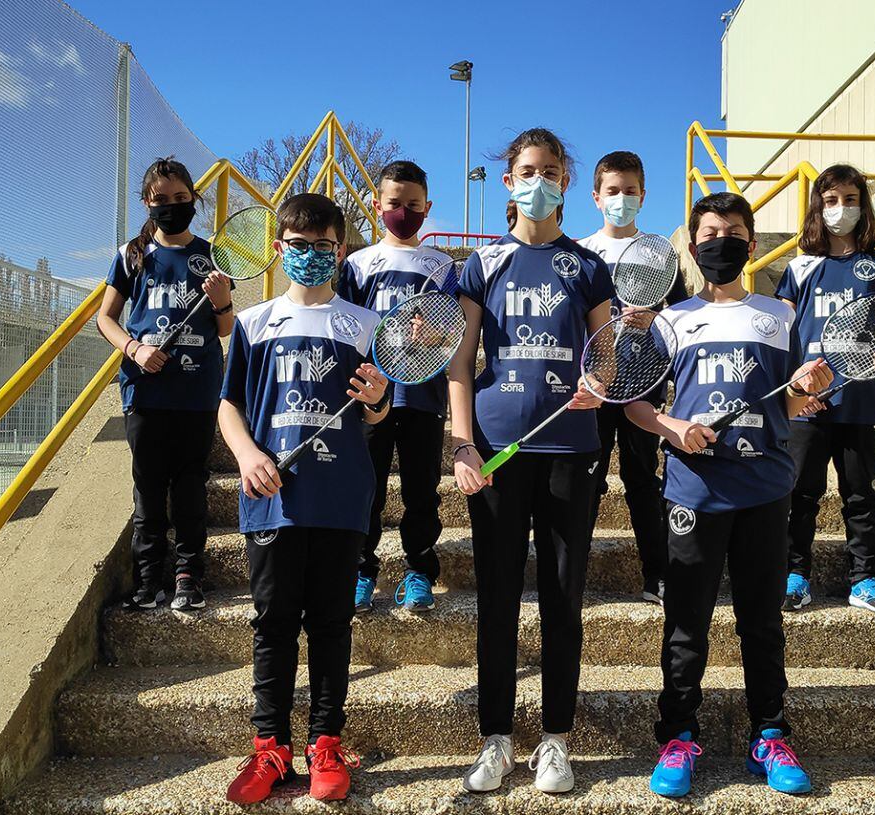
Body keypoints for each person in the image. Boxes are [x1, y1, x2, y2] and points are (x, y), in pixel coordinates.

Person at [625, 192, 832, 798]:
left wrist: (809, 387)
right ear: (693, 247)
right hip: (694, 491)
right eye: (710, 233)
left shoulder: (780, 316)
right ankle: (678, 735)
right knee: (686, 622)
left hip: (765, 489)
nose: (722, 242)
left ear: (753, 244)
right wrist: (673, 428)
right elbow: (634, 404)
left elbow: (793, 403)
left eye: (734, 232)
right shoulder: (669, 320)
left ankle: (769, 733)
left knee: (762, 623)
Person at [449, 128, 613, 795]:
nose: (537, 179)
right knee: (496, 598)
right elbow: (460, 362)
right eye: (525, 169)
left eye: (549, 170)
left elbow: (603, 353)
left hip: (570, 453)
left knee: (563, 600)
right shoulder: (483, 265)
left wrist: (598, 383)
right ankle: (495, 739)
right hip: (496, 453)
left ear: (565, 181)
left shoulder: (588, 265)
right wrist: (461, 444)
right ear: (508, 179)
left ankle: (554, 739)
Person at [220, 193, 390, 804]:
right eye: (299, 246)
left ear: (340, 250)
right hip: (271, 499)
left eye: (324, 247)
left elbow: (379, 409)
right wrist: (246, 455)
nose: (312, 256)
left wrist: (377, 396)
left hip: (341, 498)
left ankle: (325, 742)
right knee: (272, 623)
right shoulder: (254, 322)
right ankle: (271, 747)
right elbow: (230, 404)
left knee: (330, 623)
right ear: (279, 249)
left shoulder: (365, 325)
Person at [96, 156, 233, 612]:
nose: (173, 206)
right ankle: (148, 578)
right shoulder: (131, 255)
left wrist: (222, 301)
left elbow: (226, 329)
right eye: (162, 199)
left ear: (194, 198)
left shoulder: (214, 255)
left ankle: (189, 576)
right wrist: (135, 350)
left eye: (181, 198)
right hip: (145, 392)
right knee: (148, 488)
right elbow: (106, 318)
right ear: (147, 202)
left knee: (191, 486)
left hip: (196, 394)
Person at [775, 164, 875, 616]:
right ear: (818, 206)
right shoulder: (800, 266)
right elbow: (780, 331)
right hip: (808, 400)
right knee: (801, 493)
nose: (840, 209)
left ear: (862, 205)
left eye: (850, 200)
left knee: (859, 493)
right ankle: (795, 575)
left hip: (860, 399)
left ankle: (864, 580)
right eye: (831, 201)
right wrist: (794, 385)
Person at [338, 160, 452, 613]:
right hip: (371, 396)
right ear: (375, 205)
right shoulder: (358, 264)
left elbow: (457, 330)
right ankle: (362, 570)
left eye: (412, 205)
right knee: (368, 486)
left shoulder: (443, 266)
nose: (403, 211)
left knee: (421, 490)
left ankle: (420, 570)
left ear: (427, 208)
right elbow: (344, 326)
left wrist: (436, 334)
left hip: (423, 395)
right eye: (394, 203)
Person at [578, 150, 669, 604]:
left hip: (642, 384)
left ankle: (658, 575)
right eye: (613, 191)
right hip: (595, 385)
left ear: (643, 196)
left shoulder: (660, 253)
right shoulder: (579, 251)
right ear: (596, 197)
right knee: (587, 481)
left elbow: (679, 318)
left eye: (629, 191)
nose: (621, 199)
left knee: (641, 480)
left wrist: (655, 318)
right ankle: (572, 569)